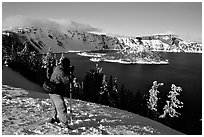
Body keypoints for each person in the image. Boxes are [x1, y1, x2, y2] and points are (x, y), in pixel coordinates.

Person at [48, 57, 74, 128]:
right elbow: (67, 81)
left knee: (54, 106)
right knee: (61, 108)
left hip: (51, 91)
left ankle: (53, 118)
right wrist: (70, 74)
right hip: (56, 92)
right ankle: (64, 124)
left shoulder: (57, 68)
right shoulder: (62, 72)